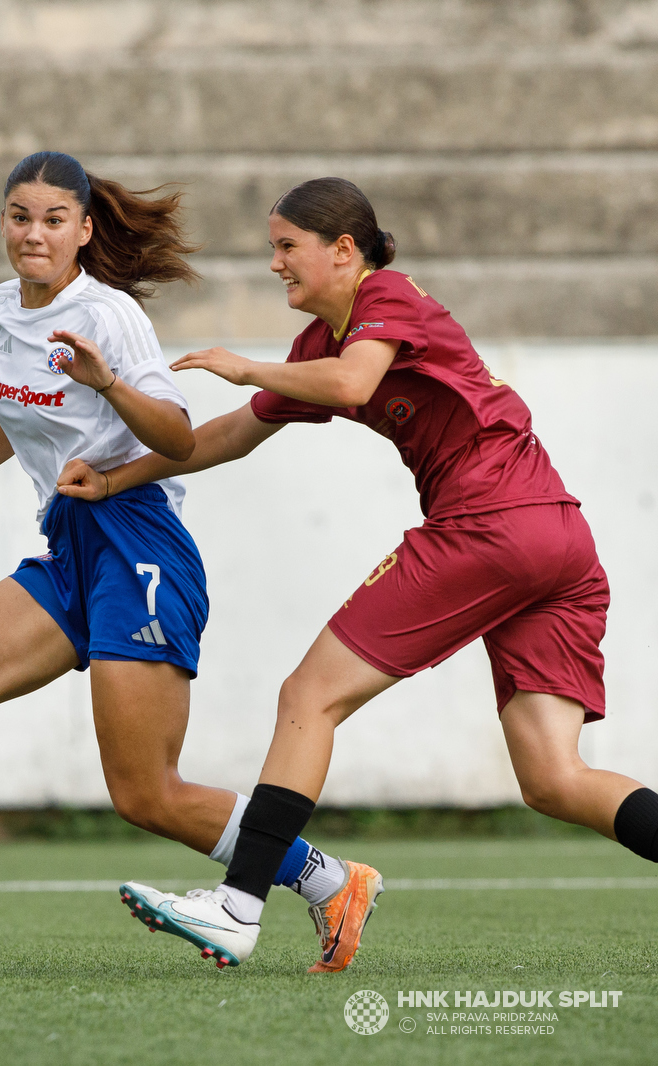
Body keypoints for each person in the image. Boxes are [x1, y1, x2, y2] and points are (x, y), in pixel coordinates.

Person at [0, 153, 365, 966]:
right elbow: (12, 409)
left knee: (145, 794)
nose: (34, 234)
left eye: (55, 219)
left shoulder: (110, 315)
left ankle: (329, 879)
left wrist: (109, 384)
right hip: (68, 545)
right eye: (20, 217)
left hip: (138, 543)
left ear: (85, 231)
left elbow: (178, 435)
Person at [74, 176, 658, 970]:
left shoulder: (385, 298)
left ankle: (238, 908)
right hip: (558, 540)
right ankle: (256, 903)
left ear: (343, 250)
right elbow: (233, 436)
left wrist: (247, 366)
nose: (275, 262)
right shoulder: (324, 341)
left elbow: (352, 385)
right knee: (555, 778)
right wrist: (115, 479)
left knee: (307, 697)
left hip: (490, 525)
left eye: (287, 247)